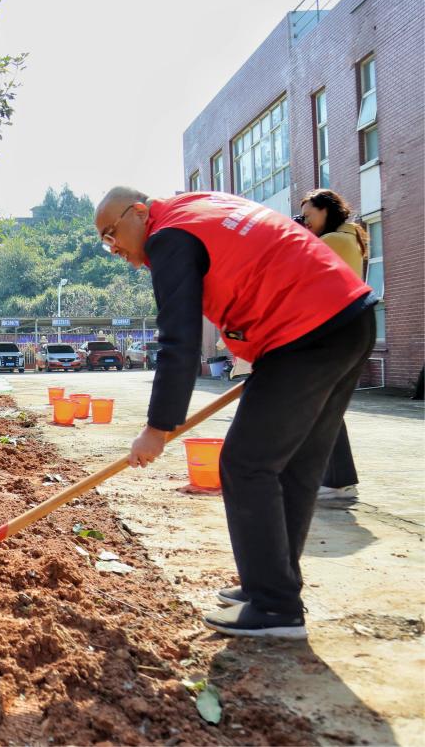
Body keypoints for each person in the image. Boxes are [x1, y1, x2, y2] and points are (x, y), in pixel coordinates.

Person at [96, 187, 374, 639]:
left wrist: (157, 427)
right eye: (105, 243)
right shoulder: (197, 206)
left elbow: (178, 341)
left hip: (305, 332)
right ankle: (274, 589)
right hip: (348, 319)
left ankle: (274, 607)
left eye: (112, 234)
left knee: (245, 464)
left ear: (139, 212)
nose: (115, 249)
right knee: (295, 466)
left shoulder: (168, 236)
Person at [299, 188, 370, 502]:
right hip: (345, 331)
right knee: (326, 407)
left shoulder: (333, 241)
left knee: (322, 408)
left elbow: (295, 270)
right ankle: (338, 480)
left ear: (326, 210)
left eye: (308, 215)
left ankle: (337, 482)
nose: (305, 221)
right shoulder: (348, 238)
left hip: (330, 332)